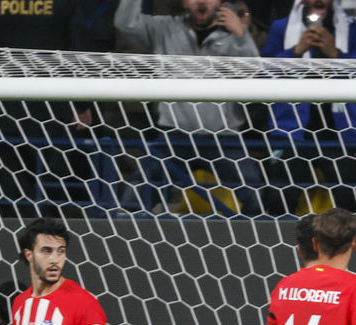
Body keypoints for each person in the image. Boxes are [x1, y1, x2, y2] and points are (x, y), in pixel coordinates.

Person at [113, 0, 267, 215]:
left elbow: (252, 73)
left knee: (254, 194)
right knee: (137, 195)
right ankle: (124, 232)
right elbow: (125, 24)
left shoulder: (234, 32)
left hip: (223, 136)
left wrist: (240, 35)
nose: (201, 2)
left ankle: (262, 237)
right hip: (174, 134)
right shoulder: (164, 27)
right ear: (184, 2)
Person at [261, 0, 356, 214]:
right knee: (278, 200)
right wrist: (295, 51)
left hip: (343, 135)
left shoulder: (354, 29)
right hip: (291, 133)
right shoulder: (282, 28)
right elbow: (264, 75)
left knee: (355, 200)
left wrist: (335, 54)